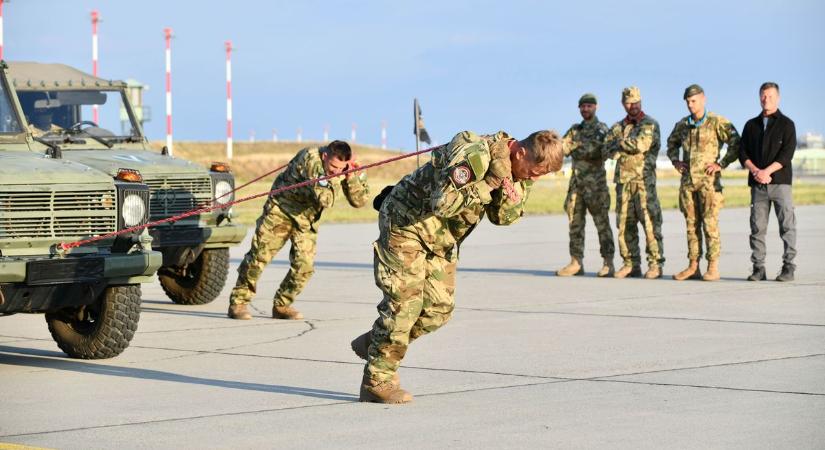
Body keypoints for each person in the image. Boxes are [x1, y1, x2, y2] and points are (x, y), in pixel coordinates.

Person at [351, 129, 563, 404]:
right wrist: (489, 182)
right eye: (534, 172)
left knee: (438, 310)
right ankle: (376, 381)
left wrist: (513, 185)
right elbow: (443, 203)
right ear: (521, 152)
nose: (533, 178)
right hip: (406, 224)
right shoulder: (475, 155)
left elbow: (503, 218)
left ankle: (378, 342)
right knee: (404, 307)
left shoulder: (515, 168)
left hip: (441, 239)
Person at [227, 140, 369, 320]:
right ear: (325, 156)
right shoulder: (310, 160)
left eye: (340, 168)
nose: (335, 171)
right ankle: (238, 302)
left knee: (304, 266)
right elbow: (326, 199)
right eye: (332, 166)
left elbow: (360, 201)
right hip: (281, 211)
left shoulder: (343, 170)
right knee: (258, 257)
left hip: (306, 219)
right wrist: (342, 176)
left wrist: (352, 176)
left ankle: (282, 305)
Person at [666, 84, 741, 281]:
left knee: (710, 224)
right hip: (688, 183)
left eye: (694, 101)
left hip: (709, 184)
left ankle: (713, 266)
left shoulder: (717, 121)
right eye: (688, 102)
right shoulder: (683, 125)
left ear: (703, 99)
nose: (691, 105)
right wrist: (675, 161)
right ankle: (693, 266)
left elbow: (736, 142)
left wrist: (721, 163)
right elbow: (671, 143)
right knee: (691, 225)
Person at [739, 82, 797, 282]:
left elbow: (787, 154)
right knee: (757, 227)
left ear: (778, 98)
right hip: (758, 185)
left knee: (787, 226)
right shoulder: (750, 125)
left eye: (770, 96)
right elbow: (742, 152)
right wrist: (756, 171)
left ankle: (788, 267)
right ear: (759, 97)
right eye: (763, 96)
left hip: (780, 183)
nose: (766, 99)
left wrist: (767, 171)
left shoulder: (787, 124)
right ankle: (758, 268)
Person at [604, 86, 665, 279]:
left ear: (641, 101)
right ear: (623, 104)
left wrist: (619, 143)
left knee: (650, 225)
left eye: (636, 102)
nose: (633, 106)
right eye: (629, 102)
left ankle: (655, 264)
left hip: (643, 183)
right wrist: (620, 144)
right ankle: (631, 263)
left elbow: (641, 144)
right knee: (624, 225)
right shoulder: (617, 126)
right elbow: (606, 149)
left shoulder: (650, 124)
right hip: (623, 183)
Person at [557, 93, 615, 277]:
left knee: (602, 225)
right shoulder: (575, 130)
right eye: (582, 106)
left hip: (596, 187)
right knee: (575, 224)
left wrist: (576, 147)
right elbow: (561, 148)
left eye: (589, 106)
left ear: (595, 107)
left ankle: (608, 262)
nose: (585, 109)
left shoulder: (602, 129)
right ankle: (576, 262)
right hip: (576, 187)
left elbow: (599, 151)